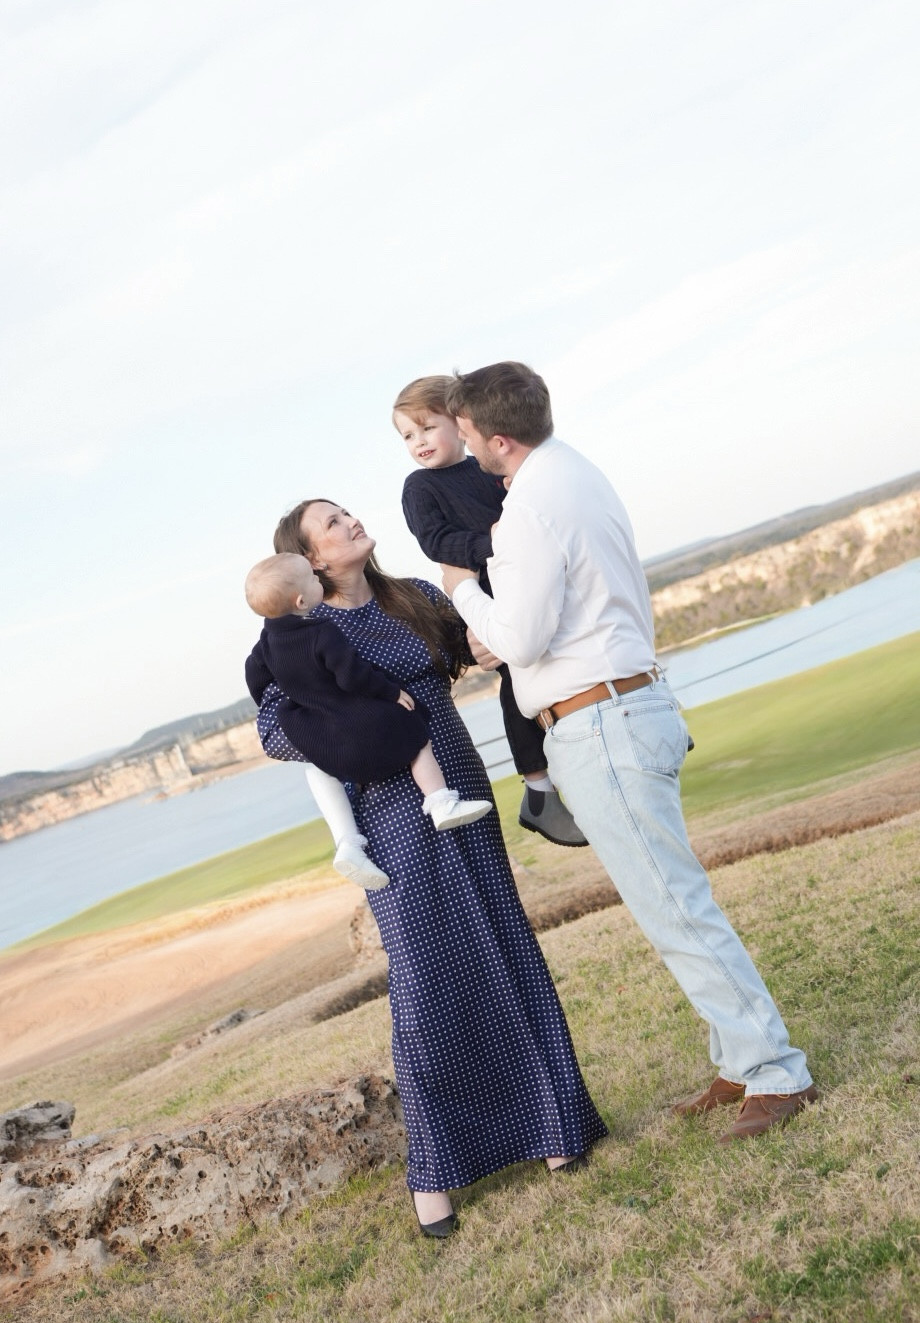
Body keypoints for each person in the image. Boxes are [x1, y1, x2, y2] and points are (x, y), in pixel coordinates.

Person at [439, 361, 817, 1145]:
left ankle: (776, 1071)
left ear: (498, 439)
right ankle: (740, 1058)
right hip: (624, 705)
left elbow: (522, 640)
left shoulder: (528, 508)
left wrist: (463, 593)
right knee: (670, 903)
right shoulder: (573, 472)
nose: (463, 447)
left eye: (467, 433)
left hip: (600, 723)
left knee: (675, 907)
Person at [252, 499, 608, 1237]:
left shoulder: (412, 595)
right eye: (332, 523)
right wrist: (355, 727)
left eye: (347, 512)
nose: (350, 521)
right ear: (309, 560)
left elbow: (476, 649)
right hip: (387, 807)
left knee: (504, 946)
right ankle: (435, 1176)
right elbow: (273, 731)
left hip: (460, 783)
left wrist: (487, 647)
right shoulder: (301, 628)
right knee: (425, 980)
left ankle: (554, 1128)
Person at [392, 375, 587, 848]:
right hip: (483, 592)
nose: (419, 442)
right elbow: (436, 543)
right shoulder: (420, 487)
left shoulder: (490, 470)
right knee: (515, 678)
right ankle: (538, 788)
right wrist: (493, 542)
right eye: (408, 435)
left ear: (461, 425)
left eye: (427, 428)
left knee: (571, 649)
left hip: (526, 579)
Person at [244, 552, 493, 890]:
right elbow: (351, 675)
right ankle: (439, 801)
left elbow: (254, 675)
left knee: (319, 769)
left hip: (319, 728)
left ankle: (347, 842)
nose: (318, 581)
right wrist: (391, 692)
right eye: (312, 579)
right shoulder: (322, 631)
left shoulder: (266, 644)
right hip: (354, 718)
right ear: (301, 601)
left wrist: (274, 694)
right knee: (415, 733)